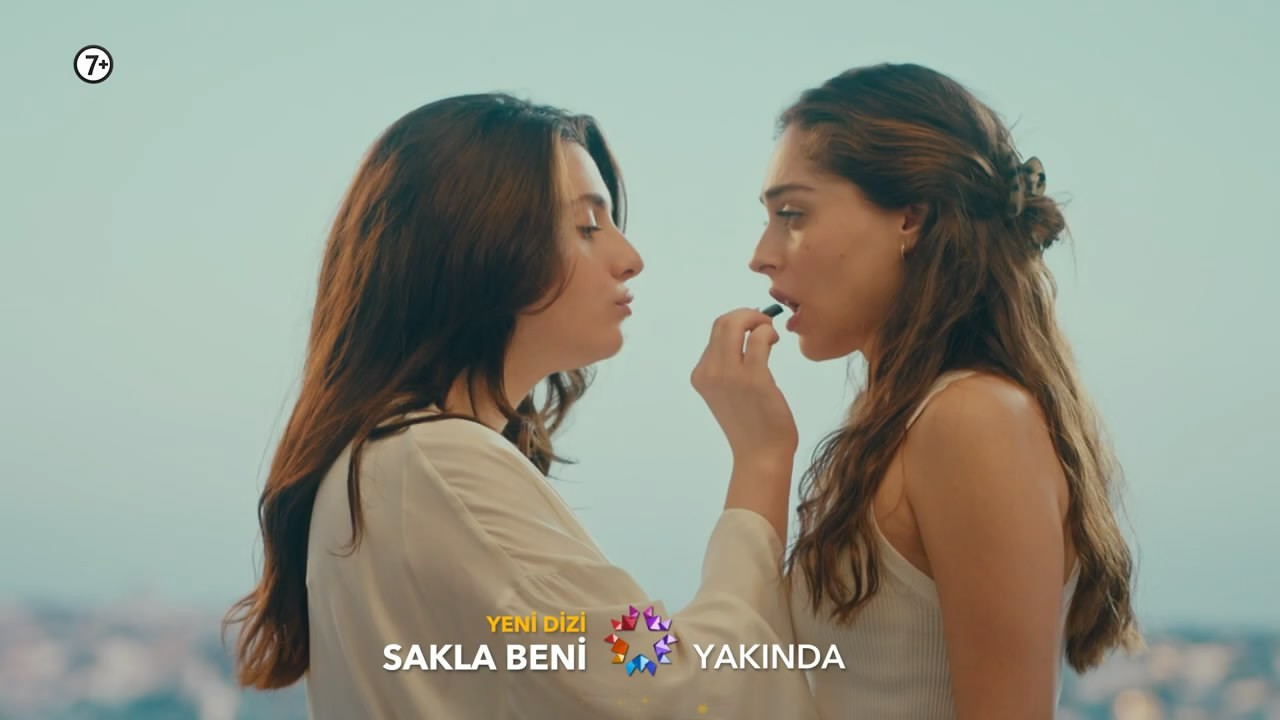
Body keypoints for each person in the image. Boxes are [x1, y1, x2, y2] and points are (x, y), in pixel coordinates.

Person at [223, 93, 818, 719]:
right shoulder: (438, 465)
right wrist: (761, 458)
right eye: (587, 227)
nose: (630, 259)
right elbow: (671, 683)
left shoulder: (397, 460)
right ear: (479, 249)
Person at [750, 63, 1143, 719]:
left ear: (911, 217)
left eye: (792, 214)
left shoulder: (973, 419)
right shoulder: (900, 426)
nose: (761, 254)